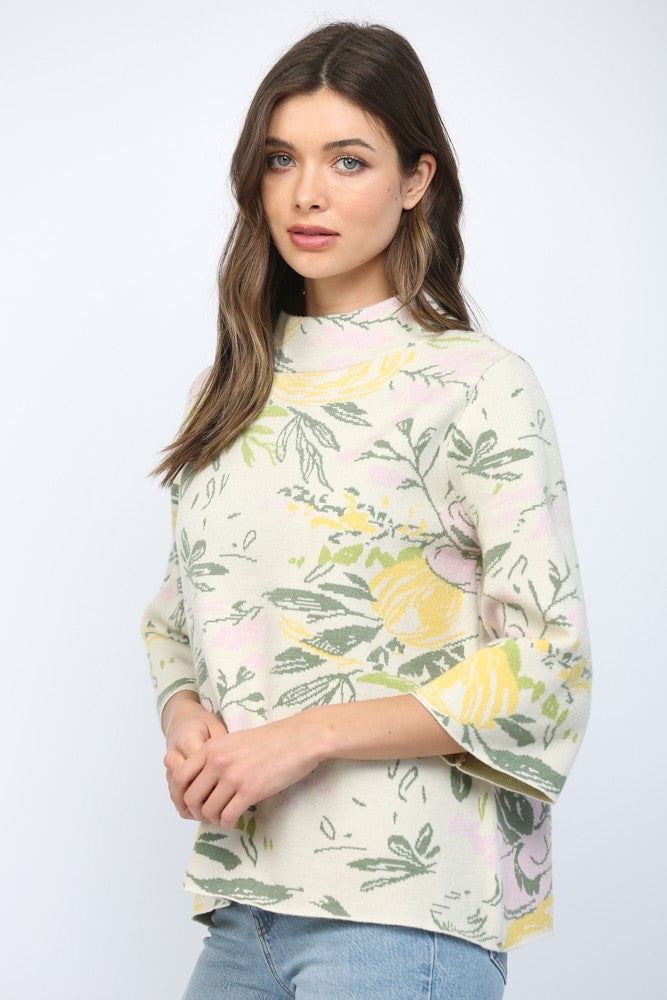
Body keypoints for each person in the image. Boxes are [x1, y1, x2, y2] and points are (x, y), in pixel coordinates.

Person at [141, 21, 591, 1000]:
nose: (306, 193)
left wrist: (305, 734)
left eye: (348, 160)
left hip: (401, 915)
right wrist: (186, 716)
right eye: (281, 159)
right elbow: (177, 621)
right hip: (242, 907)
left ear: (416, 178)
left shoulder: (475, 383)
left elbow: (546, 666)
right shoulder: (230, 390)